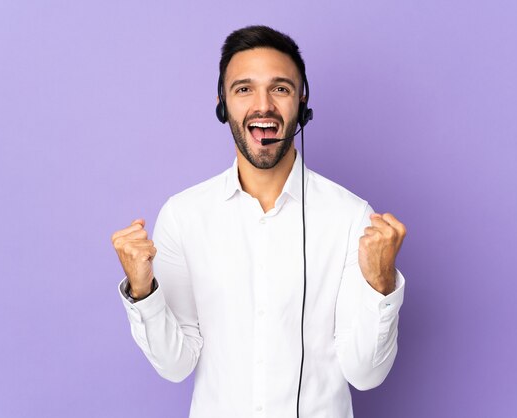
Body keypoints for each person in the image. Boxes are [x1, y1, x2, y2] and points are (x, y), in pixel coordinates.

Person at [111, 25, 407, 418]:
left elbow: (366, 375)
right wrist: (142, 289)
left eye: (280, 89)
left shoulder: (352, 218)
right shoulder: (184, 216)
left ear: (302, 102)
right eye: (244, 89)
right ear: (223, 104)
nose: (263, 106)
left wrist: (381, 283)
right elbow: (175, 365)